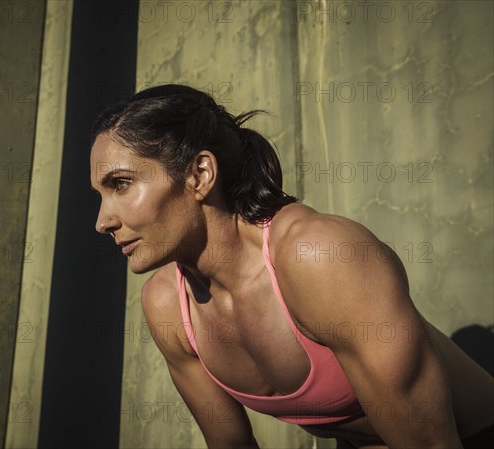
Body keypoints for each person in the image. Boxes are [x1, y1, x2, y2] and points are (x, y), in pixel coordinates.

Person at [89, 84, 494, 448]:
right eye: (100, 194)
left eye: (121, 184)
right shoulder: (167, 305)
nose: (102, 221)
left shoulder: (318, 256)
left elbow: (429, 441)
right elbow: (229, 443)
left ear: (199, 174)